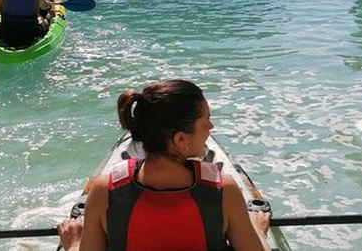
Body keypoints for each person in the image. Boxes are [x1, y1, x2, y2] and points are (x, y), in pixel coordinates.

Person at [57, 80, 272, 251]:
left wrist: (75, 244)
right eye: (206, 121)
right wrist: (258, 232)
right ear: (181, 139)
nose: (211, 127)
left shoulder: (105, 189)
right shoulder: (223, 188)